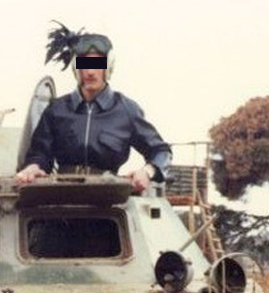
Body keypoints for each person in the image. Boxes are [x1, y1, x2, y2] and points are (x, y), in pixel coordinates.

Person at [15, 23, 172, 192]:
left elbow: (161, 151)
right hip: (61, 195)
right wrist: (33, 166)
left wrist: (147, 172)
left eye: (97, 64)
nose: (90, 71)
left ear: (108, 66)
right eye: (84, 64)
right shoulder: (56, 110)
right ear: (76, 68)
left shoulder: (126, 110)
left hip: (108, 199)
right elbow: (40, 153)